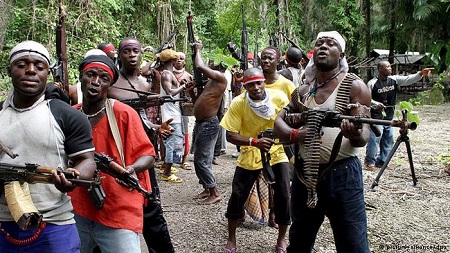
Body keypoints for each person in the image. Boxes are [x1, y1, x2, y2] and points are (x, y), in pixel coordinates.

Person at [273, 31, 372, 253]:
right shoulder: (304, 90)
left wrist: (353, 134)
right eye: (319, 44)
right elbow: (278, 123)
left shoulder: (354, 86)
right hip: (303, 175)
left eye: (331, 44)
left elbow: (364, 136)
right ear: (312, 53)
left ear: (342, 54)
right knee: (299, 241)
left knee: (353, 244)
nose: (324, 47)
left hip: (342, 175)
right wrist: (295, 135)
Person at [0, 40, 96, 252]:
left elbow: (87, 160)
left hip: (53, 224)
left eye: (39, 66)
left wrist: (73, 177)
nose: (31, 71)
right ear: (10, 70)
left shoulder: (66, 115)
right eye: (22, 64)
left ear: (47, 73)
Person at [107, 37, 175, 253]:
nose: (132, 55)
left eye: (136, 51)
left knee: (151, 205)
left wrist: (156, 128)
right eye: (127, 51)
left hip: (141, 152)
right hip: (114, 150)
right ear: (120, 54)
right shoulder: (110, 83)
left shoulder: (144, 84)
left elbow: (141, 118)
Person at [220, 67, 291, 253]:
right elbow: (230, 135)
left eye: (259, 83)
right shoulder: (239, 103)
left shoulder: (278, 98)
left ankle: (282, 239)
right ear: (245, 86)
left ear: (264, 82)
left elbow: (289, 122)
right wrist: (254, 141)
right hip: (250, 152)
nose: (256, 88)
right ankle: (231, 238)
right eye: (251, 85)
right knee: (237, 194)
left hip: (276, 151)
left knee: (284, 194)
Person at [364, 61, 433, 169]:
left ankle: (382, 161)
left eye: (390, 66)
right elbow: (367, 99)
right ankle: (369, 161)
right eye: (387, 66)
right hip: (376, 117)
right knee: (375, 138)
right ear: (380, 69)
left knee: (389, 138)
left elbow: (408, 79)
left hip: (389, 116)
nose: (390, 68)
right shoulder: (372, 83)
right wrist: (376, 104)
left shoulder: (394, 80)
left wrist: (420, 74)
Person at [187, 41, 227, 205]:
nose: (208, 63)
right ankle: (206, 188)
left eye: (211, 61)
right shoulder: (210, 81)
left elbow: (200, 66)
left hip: (209, 124)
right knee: (201, 158)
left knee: (201, 160)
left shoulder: (220, 78)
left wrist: (198, 50)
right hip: (202, 122)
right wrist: (191, 90)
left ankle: (214, 192)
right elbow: (198, 101)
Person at [159, 49, 186, 183]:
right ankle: (167, 173)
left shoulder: (169, 74)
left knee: (173, 142)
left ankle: (167, 166)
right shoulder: (166, 74)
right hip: (171, 115)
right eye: (176, 59)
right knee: (172, 144)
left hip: (173, 113)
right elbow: (170, 92)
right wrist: (183, 87)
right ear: (172, 61)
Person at [174, 51, 193, 170]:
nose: (179, 60)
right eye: (176, 58)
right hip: (171, 107)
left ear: (185, 61)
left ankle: (184, 160)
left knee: (185, 131)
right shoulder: (168, 74)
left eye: (181, 58)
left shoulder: (188, 75)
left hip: (184, 107)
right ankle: (168, 160)